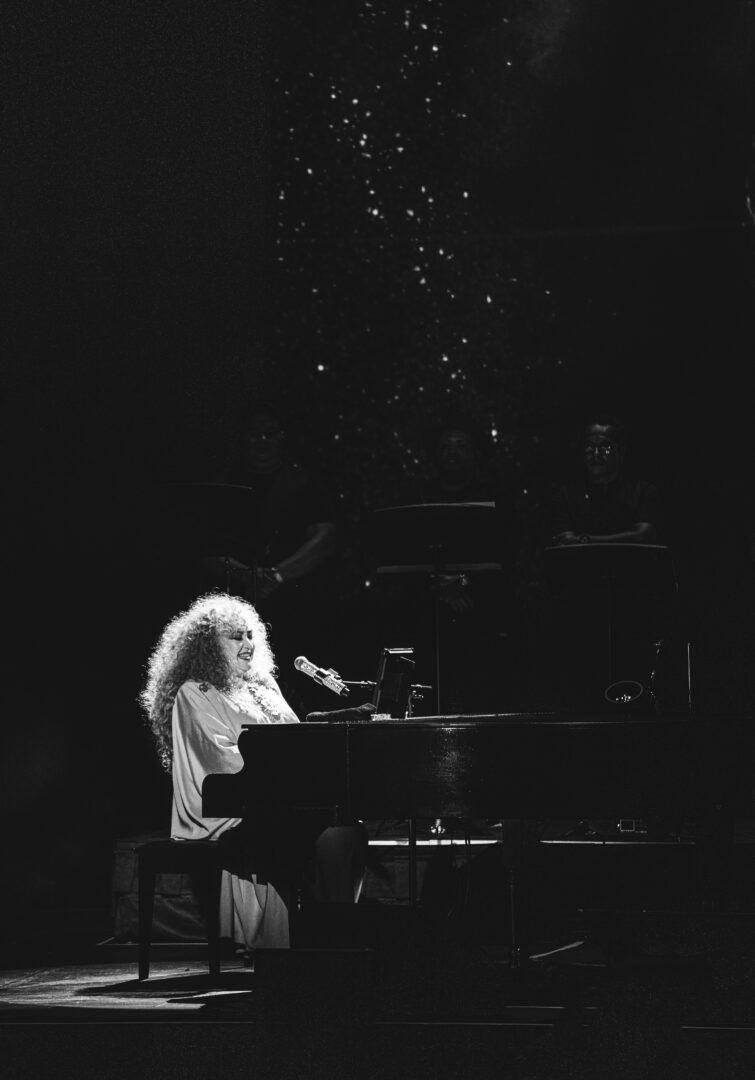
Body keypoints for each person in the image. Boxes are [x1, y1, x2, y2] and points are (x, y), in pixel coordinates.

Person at [139, 592, 365, 952]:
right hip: (227, 809)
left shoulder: (264, 686)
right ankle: (314, 943)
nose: (248, 644)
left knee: (347, 827)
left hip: (277, 795)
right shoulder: (195, 692)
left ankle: (330, 937)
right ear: (208, 646)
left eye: (249, 635)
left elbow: (295, 740)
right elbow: (222, 762)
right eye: (235, 637)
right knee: (330, 832)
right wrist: (292, 775)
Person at [551, 415, 661, 545]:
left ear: (621, 451)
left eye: (605, 447)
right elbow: (565, 541)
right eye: (589, 447)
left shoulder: (642, 492)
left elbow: (643, 536)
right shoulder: (566, 495)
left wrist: (585, 540)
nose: (596, 454)